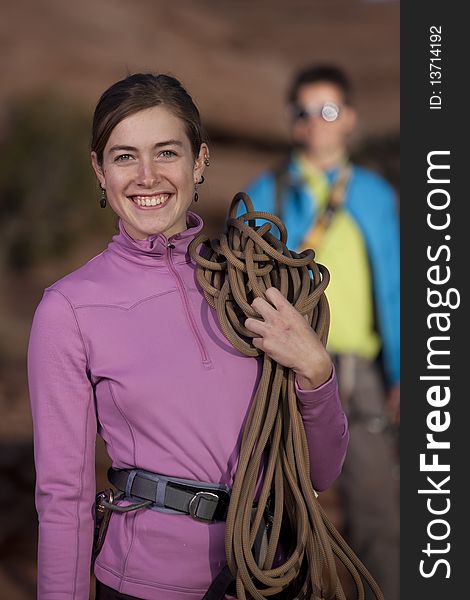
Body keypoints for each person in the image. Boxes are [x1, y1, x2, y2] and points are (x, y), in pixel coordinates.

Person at [27, 73, 349, 600]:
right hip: (144, 586)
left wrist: (316, 373)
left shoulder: (253, 286)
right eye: (125, 156)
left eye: (167, 153)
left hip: (269, 575)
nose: (147, 176)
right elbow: (64, 497)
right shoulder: (68, 309)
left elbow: (323, 470)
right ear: (99, 170)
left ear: (199, 161)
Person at [245, 65, 400, 600]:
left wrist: (403, 370)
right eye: (304, 112)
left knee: (377, 514)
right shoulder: (266, 190)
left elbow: (399, 286)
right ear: (293, 123)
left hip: (362, 373)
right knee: (279, 511)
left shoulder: (378, 196)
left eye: (328, 110)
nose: (316, 123)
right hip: (283, 373)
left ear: (350, 119)